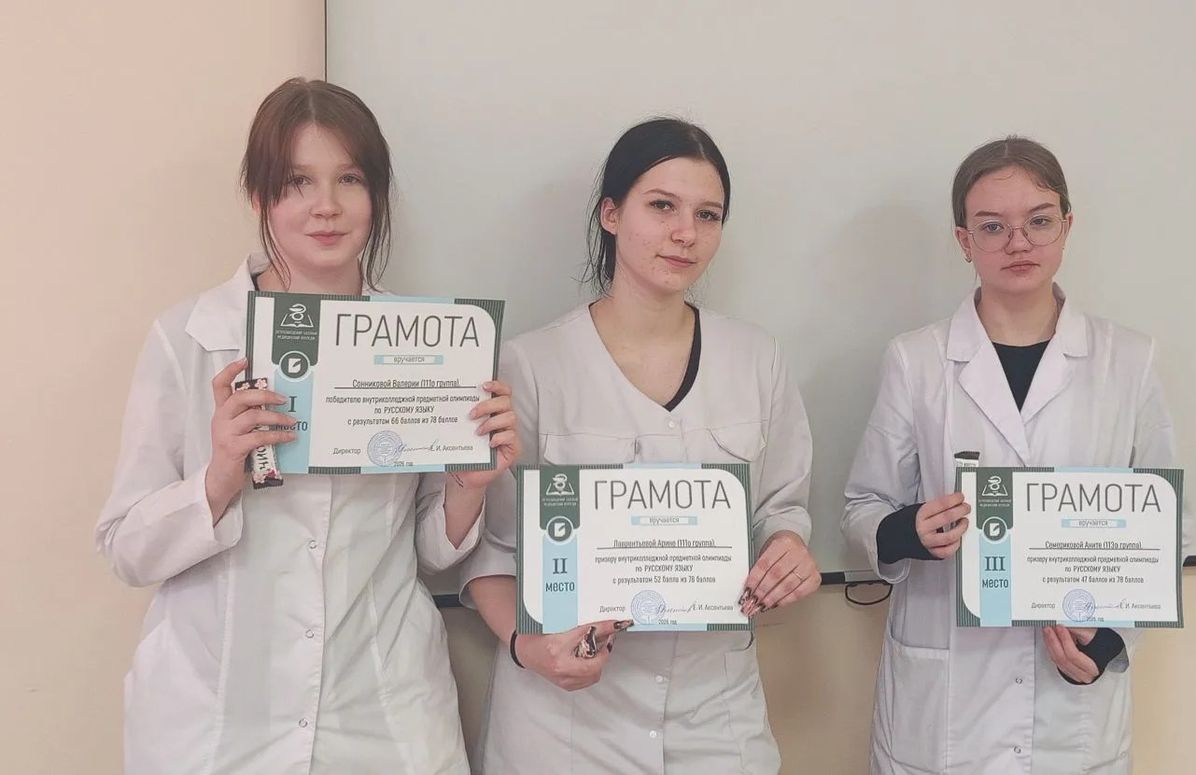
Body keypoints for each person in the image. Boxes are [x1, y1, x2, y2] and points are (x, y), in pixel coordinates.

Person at [96, 77, 520, 775]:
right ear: (260, 197)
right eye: (297, 182)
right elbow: (126, 549)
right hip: (216, 716)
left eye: (349, 179)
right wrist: (217, 478)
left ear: (376, 196)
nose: (326, 206)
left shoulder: (431, 347)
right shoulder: (192, 337)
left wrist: (467, 487)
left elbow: (428, 553)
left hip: (382, 709)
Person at [460, 118, 820, 774]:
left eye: (707, 215)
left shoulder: (757, 358)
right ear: (611, 214)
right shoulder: (531, 364)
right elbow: (492, 549)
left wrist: (789, 549)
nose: (686, 233)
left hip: (716, 717)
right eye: (662, 206)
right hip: (568, 725)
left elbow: (781, 509)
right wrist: (527, 647)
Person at [843, 136, 1186, 774]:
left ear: (1067, 226)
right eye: (993, 226)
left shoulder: (1128, 361)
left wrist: (1107, 640)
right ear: (964, 240)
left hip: (1070, 705)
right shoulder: (916, 360)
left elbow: (1167, 527)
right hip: (948, 702)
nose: (1018, 242)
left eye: (1039, 221)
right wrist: (907, 531)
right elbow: (864, 506)